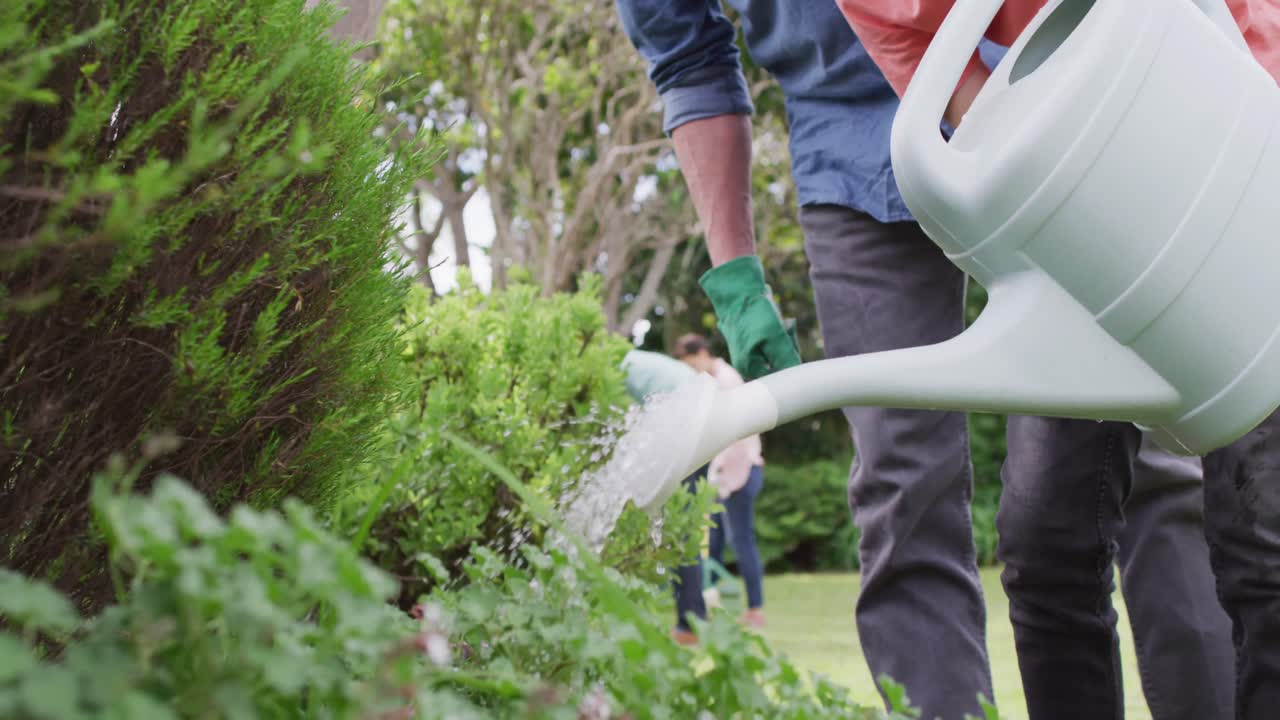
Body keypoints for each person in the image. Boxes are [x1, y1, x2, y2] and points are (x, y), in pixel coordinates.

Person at [612, 2, 1234, 718]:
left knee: (1097, 493)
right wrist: (735, 276)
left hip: (1047, 91)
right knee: (905, 490)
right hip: (851, 150)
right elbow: (688, 59)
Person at [830, 2, 1280, 718]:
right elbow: (974, 125)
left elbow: (1238, 36)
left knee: (1261, 535)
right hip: (1084, 186)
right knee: (1047, 542)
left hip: (1236, 144)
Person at [673, 333, 767, 629]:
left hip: (740, 474)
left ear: (702, 353)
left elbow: (734, 436)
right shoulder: (712, 381)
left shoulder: (727, 380)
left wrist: (717, 475)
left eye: (692, 364)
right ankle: (704, 604)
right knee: (713, 544)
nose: (692, 371)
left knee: (742, 541)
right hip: (725, 477)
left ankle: (755, 609)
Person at [620, 348, 710, 646]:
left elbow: (621, 422)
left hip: (687, 432)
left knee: (679, 535)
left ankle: (690, 623)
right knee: (684, 532)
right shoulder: (640, 360)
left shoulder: (616, 367)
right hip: (706, 425)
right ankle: (693, 620)